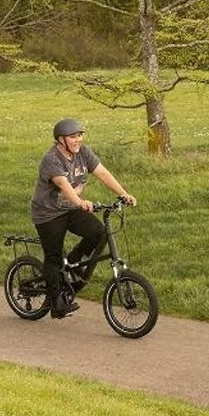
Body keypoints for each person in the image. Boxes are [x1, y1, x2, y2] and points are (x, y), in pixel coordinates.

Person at [31, 118, 136, 318]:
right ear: (61, 140)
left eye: (80, 135)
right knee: (52, 257)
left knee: (99, 233)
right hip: (48, 213)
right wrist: (80, 203)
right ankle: (57, 304)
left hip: (70, 209)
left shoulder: (83, 153)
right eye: (73, 137)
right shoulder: (51, 159)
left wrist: (123, 193)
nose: (78, 140)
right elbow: (63, 184)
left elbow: (102, 173)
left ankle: (71, 263)